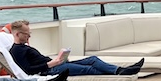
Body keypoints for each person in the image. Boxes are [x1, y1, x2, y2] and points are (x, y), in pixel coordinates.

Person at [9, 20, 144, 76]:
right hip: (50, 71)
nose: (29, 36)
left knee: (93, 59)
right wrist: (51, 64)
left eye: (29, 33)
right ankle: (122, 72)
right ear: (17, 34)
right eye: (26, 34)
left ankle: (120, 70)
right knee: (88, 69)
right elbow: (27, 70)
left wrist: (59, 59)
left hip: (55, 65)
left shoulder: (24, 47)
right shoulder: (16, 51)